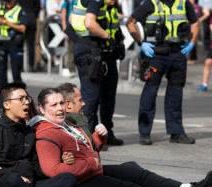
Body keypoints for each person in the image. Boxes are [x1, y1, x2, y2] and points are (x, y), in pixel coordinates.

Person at [31, 88, 212, 187]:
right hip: (83, 181)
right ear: (42, 109)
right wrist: (89, 163)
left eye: (61, 103)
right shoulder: (46, 133)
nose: (60, 108)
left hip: (92, 172)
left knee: (132, 170)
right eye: (54, 105)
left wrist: (98, 138)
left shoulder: (66, 124)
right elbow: (52, 170)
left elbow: (89, 149)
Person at [0, 82, 77, 187]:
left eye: (27, 98)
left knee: (68, 177)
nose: (27, 102)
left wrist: (61, 160)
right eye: (21, 99)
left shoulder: (29, 132)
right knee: (13, 180)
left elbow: (36, 166)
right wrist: (17, 177)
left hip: (30, 185)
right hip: (4, 185)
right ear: (7, 104)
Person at [127, 0, 200, 145]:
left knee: (176, 93)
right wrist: (141, 43)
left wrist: (192, 43)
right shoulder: (150, 3)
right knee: (150, 92)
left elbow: (195, 23)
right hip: (155, 53)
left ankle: (176, 132)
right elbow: (130, 22)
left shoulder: (183, 3)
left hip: (178, 52)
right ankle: (144, 133)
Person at [66, 0, 124, 146]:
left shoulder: (109, 5)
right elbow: (90, 24)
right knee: (91, 97)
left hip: (104, 53)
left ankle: (106, 133)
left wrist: (117, 41)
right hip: (90, 53)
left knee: (108, 96)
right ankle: (88, 137)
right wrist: (107, 37)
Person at [0, 0, 29, 107]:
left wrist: (9, 23)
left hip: (15, 44)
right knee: (1, 75)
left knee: (16, 74)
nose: (7, 3)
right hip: (2, 44)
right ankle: (0, 102)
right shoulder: (0, 10)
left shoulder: (20, 10)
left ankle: (22, 100)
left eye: (9, 1)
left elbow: (23, 28)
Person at [57, 82, 109, 151]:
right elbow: (89, 152)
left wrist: (100, 136)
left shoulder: (78, 121)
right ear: (68, 105)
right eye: (80, 100)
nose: (83, 103)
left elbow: (92, 148)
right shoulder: (63, 128)